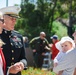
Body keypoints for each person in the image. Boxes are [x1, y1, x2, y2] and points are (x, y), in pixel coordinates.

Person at [0, 6, 27, 75]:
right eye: (12, 19)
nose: (14, 22)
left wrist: (22, 63)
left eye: (15, 19)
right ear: (3, 19)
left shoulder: (18, 36)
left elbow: (23, 58)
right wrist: (9, 70)